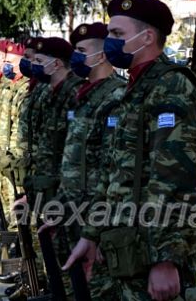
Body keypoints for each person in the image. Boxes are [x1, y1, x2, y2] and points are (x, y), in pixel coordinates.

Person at [64, 0, 196, 301]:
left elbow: (175, 179)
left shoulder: (171, 87)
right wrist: (91, 235)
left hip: (148, 254)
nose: (109, 43)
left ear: (147, 37)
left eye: (117, 34)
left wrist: (165, 259)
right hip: (121, 247)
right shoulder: (134, 89)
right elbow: (113, 172)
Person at [41, 21, 126, 299]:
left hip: (95, 216)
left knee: (97, 290)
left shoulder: (115, 97)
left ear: (101, 55)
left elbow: (111, 168)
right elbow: (74, 160)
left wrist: (97, 228)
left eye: (81, 50)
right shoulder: (85, 95)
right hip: (73, 210)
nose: (75, 56)